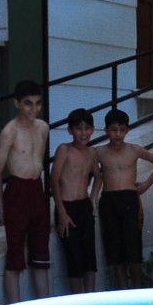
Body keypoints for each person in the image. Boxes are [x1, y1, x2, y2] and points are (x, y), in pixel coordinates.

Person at [0, 80, 50, 303]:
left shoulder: (43, 127)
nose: (33, 109)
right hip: (17, 192)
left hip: (37, 190)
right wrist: (2, 209)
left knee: (41, 257)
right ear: (17, 104)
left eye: (37, 103)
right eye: (28, 104)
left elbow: (38, 161)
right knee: (15, 256)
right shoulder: (10, 131)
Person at [95, 108, 153, 289]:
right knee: (114, 247)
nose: (117, 134)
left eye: (121, 130)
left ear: (127, 130)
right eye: (113, 130)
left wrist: (146, 184)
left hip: (129, 200)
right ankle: (121, 289)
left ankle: (136, 288)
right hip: (109, 200)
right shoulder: (99, 152)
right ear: (106, 131)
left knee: (133, 246)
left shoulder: (134, 150)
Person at [50, 108, 100, 295]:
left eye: (87, 129)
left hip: (84, 206)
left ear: (93, 130)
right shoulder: (64, 149)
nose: (83, 133)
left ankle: (90, 300)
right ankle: (78, 302)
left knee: (89, 257)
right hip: (67, 206)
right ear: (70, 130)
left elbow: (98, 176)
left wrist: (93, 197)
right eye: (79, 129)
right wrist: (61, 212)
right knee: (74, 257)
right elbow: (54, 179)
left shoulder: (91, 153)